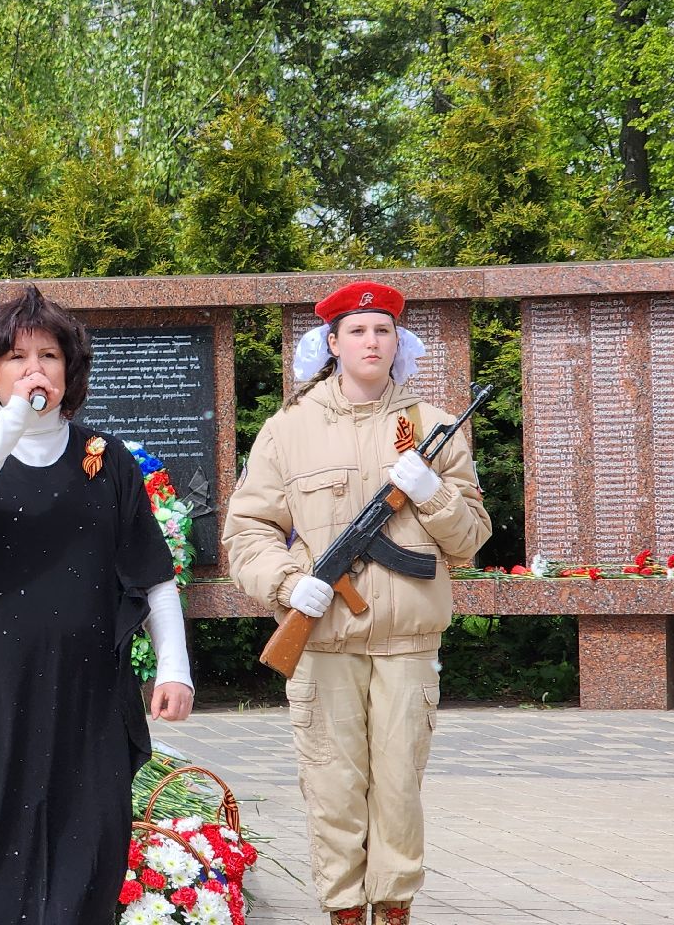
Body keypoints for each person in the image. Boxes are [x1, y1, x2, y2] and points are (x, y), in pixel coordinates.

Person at [0, 286, 193, 925]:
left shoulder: (106, 461)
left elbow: (153, 574)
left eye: (49, 356)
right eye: (17, 357)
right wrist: (10, 426)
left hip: (87, 695)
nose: (35, 370)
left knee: (86, 852)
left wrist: (175, 668)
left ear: (69, 370)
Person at [225, 281, 491, 925]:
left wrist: (431, 493)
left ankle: (394, 907)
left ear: (399, 342)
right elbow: (247, 531)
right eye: (358, 331)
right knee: (333, 788)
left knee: (398, 789)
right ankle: (344, 909)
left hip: (408, 642)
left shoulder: (431, 427)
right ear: (332, 344)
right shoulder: (289, 429)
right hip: (322, 642)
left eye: (383, 330)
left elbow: (471, 539)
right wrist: (292, 585)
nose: (372, 341)